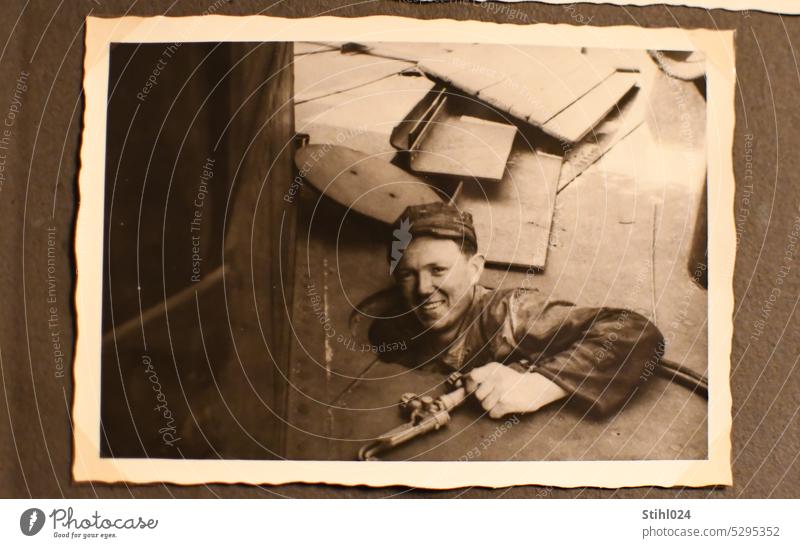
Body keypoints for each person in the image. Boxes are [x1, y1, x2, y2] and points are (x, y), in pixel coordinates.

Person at [370, 202, 664, 419]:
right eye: (408, 274)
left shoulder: (510, 313)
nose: (422, 288)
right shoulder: (396, 328)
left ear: (474, 270)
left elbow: (634, 331)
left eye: (438, 270)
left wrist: (537, 385)